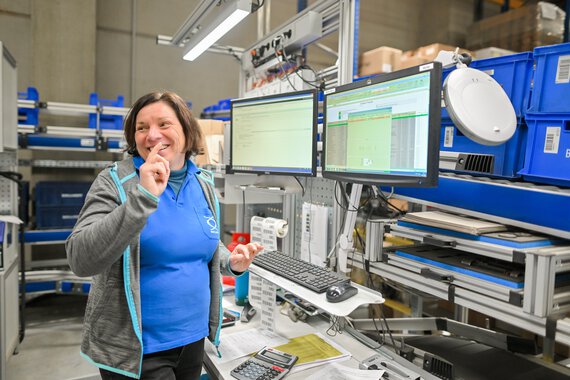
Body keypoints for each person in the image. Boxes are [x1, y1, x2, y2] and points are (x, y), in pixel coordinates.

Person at [66, 91, 263, 380]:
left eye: (164, 124)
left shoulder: (202, 181)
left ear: (186, 130)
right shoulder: (115, 181)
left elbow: (203, 241)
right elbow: (80, 259)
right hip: (138, 351)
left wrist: (229, 260)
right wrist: (141, 198)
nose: (152, 135)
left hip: (193, 340)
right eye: (142, 128)